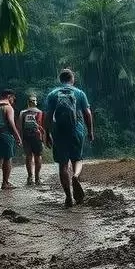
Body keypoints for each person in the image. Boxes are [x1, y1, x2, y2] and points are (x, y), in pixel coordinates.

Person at [44, 68, 95, 207]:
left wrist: (46, 133)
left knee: (62, 165)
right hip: (76, 130)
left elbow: (48, 116)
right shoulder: (79, 93)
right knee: (77, 159)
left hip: (59, 132)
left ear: (60, 80)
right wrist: (90, 131)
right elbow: (87, 114)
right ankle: (76, 176)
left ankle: (68, 197)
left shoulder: (53, 95)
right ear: (72, 79)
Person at [18, 94, 46, 186]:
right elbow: (43, 127)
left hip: (27, 138)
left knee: (29, 156)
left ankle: (30, 178)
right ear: (35, 102)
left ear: (28, 102)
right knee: (37, 156)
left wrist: (20, 138)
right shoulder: (40, 112)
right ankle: (37, 178)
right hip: (37, 137)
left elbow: (20, 127)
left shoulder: (23, 112)